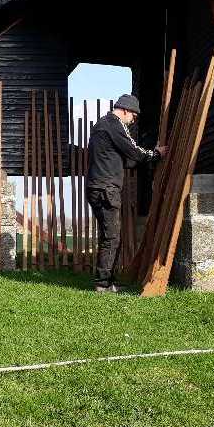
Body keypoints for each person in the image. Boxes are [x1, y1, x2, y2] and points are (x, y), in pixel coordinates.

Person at [86, 94, 166, 293]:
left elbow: (123, 158)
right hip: (106, 189)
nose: (133, 121)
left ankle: (108, 281)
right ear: (125, 110)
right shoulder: (114, 124)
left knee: (110, 236)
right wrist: (155, 154)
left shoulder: (101, 126)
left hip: (98, 187)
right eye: (133, 116)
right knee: (112, 237)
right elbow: (133, 150)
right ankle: (102, 283)